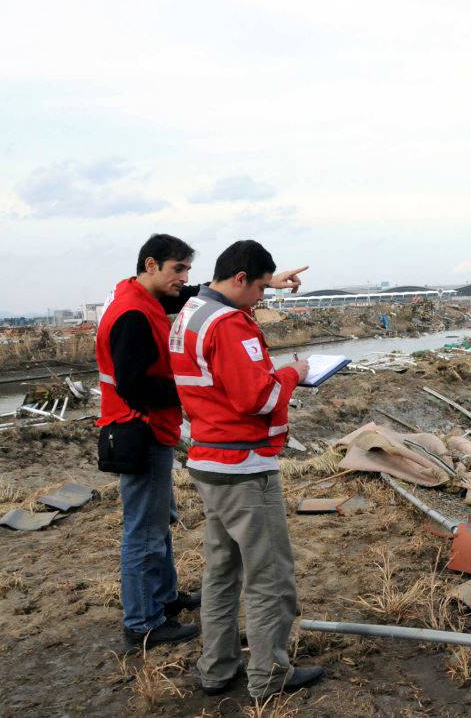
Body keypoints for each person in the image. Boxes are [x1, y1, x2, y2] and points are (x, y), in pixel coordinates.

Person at [169, 240, 324, 699]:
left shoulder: (192, 312)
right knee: (269, 577)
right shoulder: (230, 326)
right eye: (259, 289)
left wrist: (266, 281)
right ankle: (269, 677)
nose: (262, 298)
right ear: (240, 279)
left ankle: (216, 668)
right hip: (243, 468)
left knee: (221, 573)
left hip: (208, 461)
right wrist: (294, 371)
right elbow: (258, 398)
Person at [96, 234, 201, 647]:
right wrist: (191, 390)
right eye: (178, 269)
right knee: (143, 531)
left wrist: (264, 283)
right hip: (139, 430)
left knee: (158, 522)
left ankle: (165, 598)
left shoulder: (142, 297)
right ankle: (143, 623)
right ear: (151, 264)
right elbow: (134, 386)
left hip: (148, 428)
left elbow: (190, 296)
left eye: (188, 269)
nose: (185, 278)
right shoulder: (133, 315)